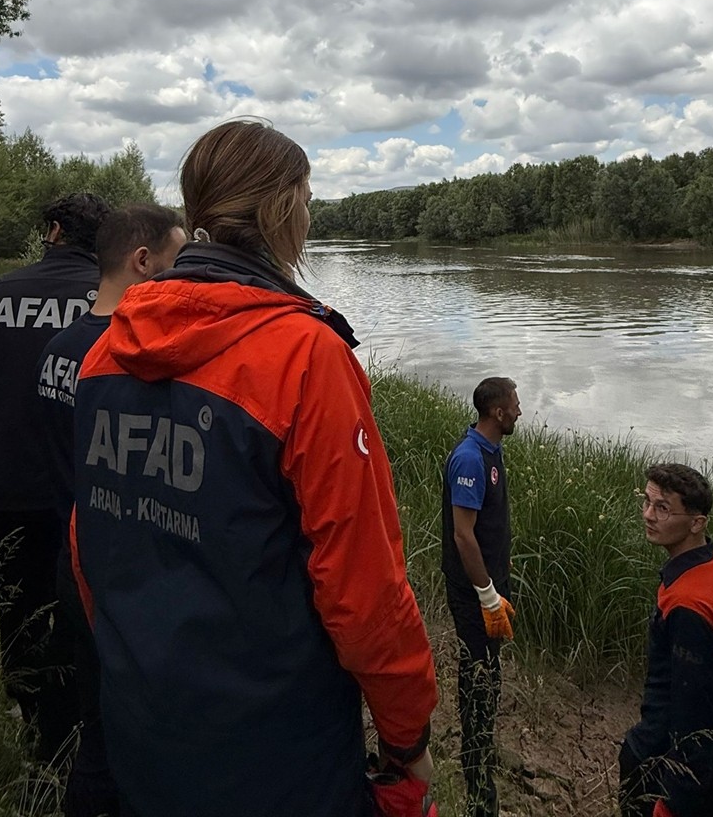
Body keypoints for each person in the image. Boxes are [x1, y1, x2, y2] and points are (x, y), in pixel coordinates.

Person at [71, 119, 438, 817]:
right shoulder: (306, 356)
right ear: (279, 211)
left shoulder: (104, 354)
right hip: (276, 747)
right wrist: (405, 731)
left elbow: (88, 541)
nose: (309, 213)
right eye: (305, 197)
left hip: (141, 719)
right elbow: (362, 584)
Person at [37, 204, 187, 817]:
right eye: (176, 265)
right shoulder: (126, 358)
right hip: (119, 570)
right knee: (122, 733)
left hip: (70, 555)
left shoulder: (58, 349)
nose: (182, 282)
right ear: (142, 261)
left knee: (89, 714)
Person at [0, 192, 110, 753]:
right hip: (87, 491)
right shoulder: (114, 300)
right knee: (87, 608)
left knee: (17, 606)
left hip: (5, 483)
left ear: (52, 231)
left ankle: (31, 728)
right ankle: (83, 729)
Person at [620, 463, 713, 817]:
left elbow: (693, 717)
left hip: (670, 771)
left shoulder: (690, 606)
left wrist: (672, 803)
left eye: (662, 508)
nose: (648, 515)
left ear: (697, 522)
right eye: (646, 502)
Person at [441, 376, 520, 817]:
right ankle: (477, 787)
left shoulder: (492, 450)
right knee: (476, 676)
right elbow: (463, 536)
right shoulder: (470, 458)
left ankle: (483, 747)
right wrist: (488, 595)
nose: (520, 410)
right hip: (474, 591)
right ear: (497, 412)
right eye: (515, 402)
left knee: (489, 672)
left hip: (490, 586)